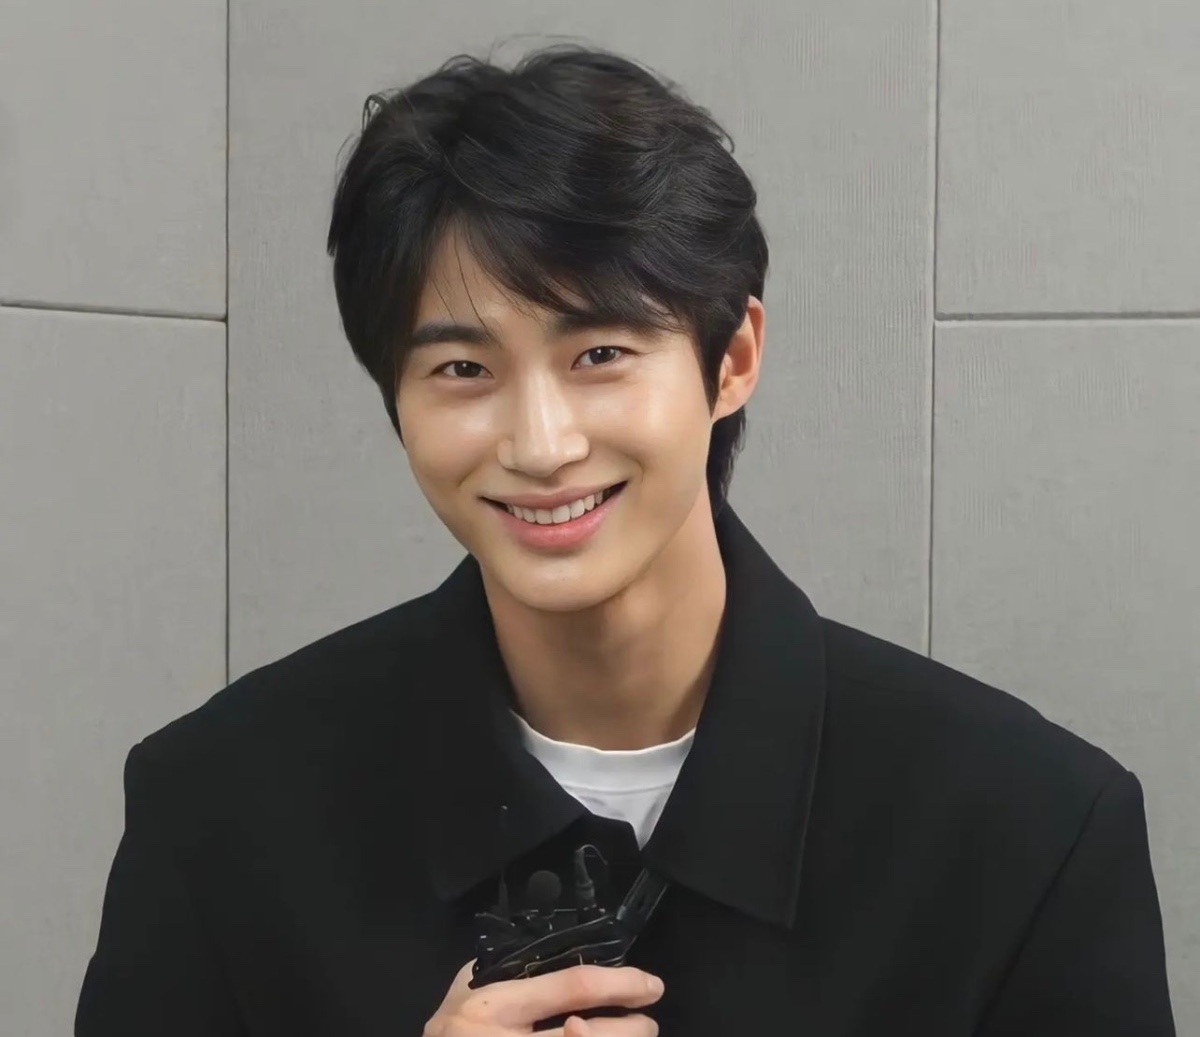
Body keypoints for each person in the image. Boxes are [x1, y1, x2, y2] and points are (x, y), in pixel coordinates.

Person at [76, 44, 1175, 1037]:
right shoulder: (219, 812)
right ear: (394, 398)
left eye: (599, 354)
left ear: (731, 358)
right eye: (462, 368)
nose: (540, 443)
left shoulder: (1028, 831)